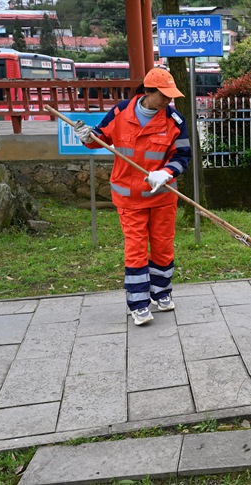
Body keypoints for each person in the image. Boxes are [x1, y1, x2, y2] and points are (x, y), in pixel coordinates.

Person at [74, 68, 192, 325]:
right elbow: (99, 138)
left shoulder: (175, 121)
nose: (168, 100)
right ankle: (138, 303)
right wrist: (87, 137)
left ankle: (161, 292)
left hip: (162, 195)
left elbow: (183, 156)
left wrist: (165, 173)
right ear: (148, 91)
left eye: (170, 96)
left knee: (163, 245)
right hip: (129, 197)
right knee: (136, 248)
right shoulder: (121, 112)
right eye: (164, 95)